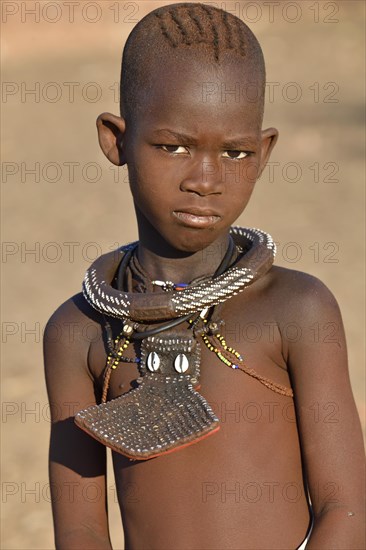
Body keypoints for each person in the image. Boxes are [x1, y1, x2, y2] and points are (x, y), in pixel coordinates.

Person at [44, 3, 365, 549]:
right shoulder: (79, 331)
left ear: (263, 153)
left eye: (235, 152)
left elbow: (348, 509)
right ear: (115, 140)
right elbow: (80, 531)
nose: (206, 180)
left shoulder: (297, 308)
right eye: (173, 147)